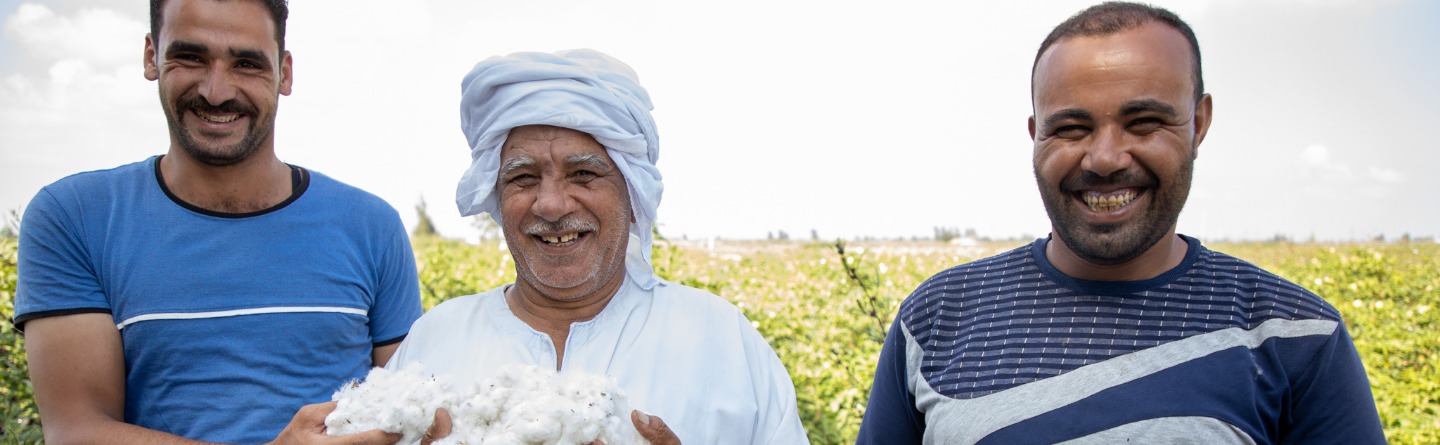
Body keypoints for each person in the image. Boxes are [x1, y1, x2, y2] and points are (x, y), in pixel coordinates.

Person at [856, 2, 1386, 444]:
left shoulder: (1296, 335)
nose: (1105, 158)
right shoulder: (936, 317)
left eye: (1144, 122)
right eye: (1071, 127)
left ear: (1198, 123)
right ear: (1035, 133)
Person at [13, 0, 423, 443]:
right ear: (152, 56)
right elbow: (76, 430)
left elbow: (407, 409)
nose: (216, 91)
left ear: (285, 73)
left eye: (247, 63)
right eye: (191, 57)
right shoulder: (74, 217)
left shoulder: (372, 226)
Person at [385, 49, 809, 445]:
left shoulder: (719, 339)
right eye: (524, 177)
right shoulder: (436, 340)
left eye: (584, 173)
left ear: (632, 193)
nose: (551, 204)